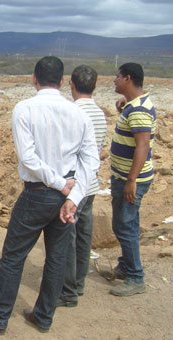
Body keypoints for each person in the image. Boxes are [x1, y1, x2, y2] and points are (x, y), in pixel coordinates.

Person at [0, 56, 100, 334]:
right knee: (56, 258)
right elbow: (92, 162)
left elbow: (28, 158)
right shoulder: (79, 114)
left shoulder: (24, 109)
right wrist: (73, 197)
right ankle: (43, 316)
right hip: (66, 197)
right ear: (63, 81)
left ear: (34, 79)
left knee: (13, 257)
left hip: (38, 194)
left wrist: (60, 186)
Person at [57, 65, 107, 307]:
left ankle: (67, 292)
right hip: (91, 184)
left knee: (68, 236)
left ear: (71, 85)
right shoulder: (100, 113)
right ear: (94, 86)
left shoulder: (70, 113)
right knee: (84, 235)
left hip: (73, 187)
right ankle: (78, 283)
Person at [104, 62, 156, 296]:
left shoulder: (138, 110)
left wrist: (131, 180)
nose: (114, 80)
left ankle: (136, 277)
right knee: (128, 224)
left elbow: (142, 146)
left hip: (130, 178)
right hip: (126, 176)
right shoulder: (135, 105)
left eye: (117, 76)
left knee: (124, 225)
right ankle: (126, 267)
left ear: (127, 78)